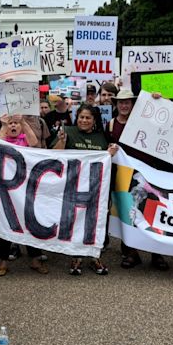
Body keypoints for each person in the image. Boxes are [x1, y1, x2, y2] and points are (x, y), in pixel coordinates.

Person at [106, 89, 171, 271]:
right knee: (128, 212)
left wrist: (161, 101)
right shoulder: (111, 125)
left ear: (133, 104)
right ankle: (131, 252)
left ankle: (156, 253)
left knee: (152, 211)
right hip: (124, 175)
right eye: (121, 102)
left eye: (127, 102)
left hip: (149, 173)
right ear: (116, 104)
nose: (124, 105)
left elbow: (166, 122)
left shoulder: (144, 120)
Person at [51, 104, 117, 275]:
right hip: (73, 186)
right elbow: (53, 155)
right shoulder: (68, 132)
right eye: (81, 117)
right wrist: (62, 141)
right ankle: (76, 256)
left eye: (88, 118)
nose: (84, 120)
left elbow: (106, 160)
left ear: (94, 120)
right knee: (74, 220)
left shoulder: (101, 136)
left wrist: (110, 153)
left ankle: (95, 256)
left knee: (95, 221)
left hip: (96, 188)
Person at [0, 114, 48, 276]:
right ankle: (2, 261)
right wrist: (4, 126)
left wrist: (23, 121)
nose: (13, 126)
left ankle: (35, 259)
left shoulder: (26, 140)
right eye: (10, 124)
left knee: (30, 223)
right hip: (6, 191)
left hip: (25, 190)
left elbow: (35, 143)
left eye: (16, 124)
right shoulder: (1, 138)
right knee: (5, 223)